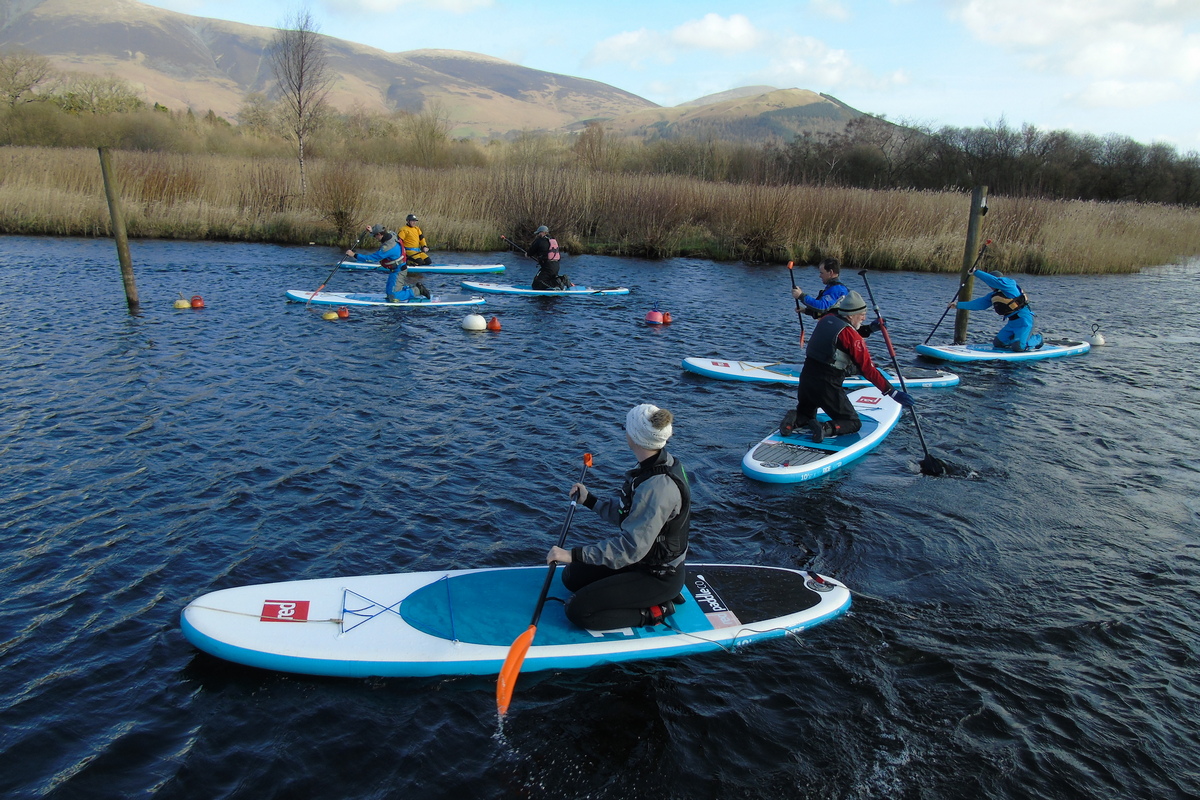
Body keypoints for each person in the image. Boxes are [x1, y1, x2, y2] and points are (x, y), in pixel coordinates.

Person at [546, 404, 690, 631]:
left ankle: (656, 610)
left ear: (633, 437)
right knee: (571, 577)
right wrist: (590, 500)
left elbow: (630, 548)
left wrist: (572, 554)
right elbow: (631, 515)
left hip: (658, 576)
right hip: (641, 561)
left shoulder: (657, 488)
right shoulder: (653, 465)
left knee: (578, 610)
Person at [780, 291, 914, 442]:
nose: (864, 317)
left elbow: (845, 334)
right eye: (862, 314)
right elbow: (868, 370)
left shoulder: (827, 319)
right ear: (851, 315)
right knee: (852, 423)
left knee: (806, 414)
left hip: (807, 378)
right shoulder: (852, 336)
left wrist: (870, 328)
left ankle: (794, 420)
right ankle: (824, 428)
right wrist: (893, 393)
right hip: (827, 383)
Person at [951, 268, 1043, 351]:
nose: (991, 286)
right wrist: (957, 305)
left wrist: (976, 272)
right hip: (1012, 323)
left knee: (1018, 348)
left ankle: (1038, 339)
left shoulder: (1009, 284)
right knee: (998, 344)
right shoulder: (993, 295)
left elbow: (995, 281)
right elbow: (979, 304)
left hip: (1025, 321)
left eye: (992, 282)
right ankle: (1017, 339)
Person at [345, 224, 428, 302]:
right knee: (389, 293)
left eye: (375, 235)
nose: (374, 237)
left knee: (393, 296)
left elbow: (370, 259)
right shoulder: (391, 234)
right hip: (395, 269)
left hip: (399, 270)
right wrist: (371, 232)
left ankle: (418, 290)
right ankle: (409, 288)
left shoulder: (387, 249)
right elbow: (381, 237)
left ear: (379, 234)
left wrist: (354, 255)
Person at [527, 225, 570, 290]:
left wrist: (527, 254)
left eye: (538, 233)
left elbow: (531, 252)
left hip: (548, 267)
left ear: (542, 232)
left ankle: (556, 282)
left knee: (536, 285)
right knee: (548, 279)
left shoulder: (540, 241)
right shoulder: (553, 240)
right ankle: (562, 279)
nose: (538, 235)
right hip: (556, 265)